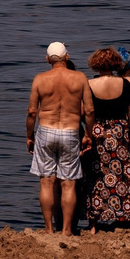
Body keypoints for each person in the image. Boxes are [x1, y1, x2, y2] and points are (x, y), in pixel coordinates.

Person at [27, 43, 90, 234]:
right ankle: (66, 230)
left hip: (46, 130)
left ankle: (48, 228)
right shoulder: (79, 78)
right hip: (70, 131)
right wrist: (88, 133)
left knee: (46, 182)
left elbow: (31, 112)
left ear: (47, 60)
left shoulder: (40, 79)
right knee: (69, 183)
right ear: (67, 57)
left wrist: (30, 136)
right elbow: (89, 109)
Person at [84, 50, 130, 231]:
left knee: (96, 175)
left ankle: (93, 223)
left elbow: (87, 111)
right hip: (119, 132)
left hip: (98, 131)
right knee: (121, 175)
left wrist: (88, 133)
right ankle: (123, 216)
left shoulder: (89, 84)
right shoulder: (125, 84)